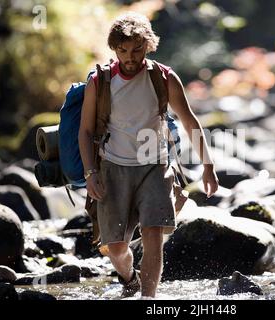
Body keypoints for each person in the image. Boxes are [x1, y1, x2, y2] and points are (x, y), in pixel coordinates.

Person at [78, 12, 219, 298]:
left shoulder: (163, 77)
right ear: (114, 49)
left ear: (148, 45)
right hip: (112, 168)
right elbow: (85, 131)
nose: (130, 57)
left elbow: (190, 122)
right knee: (117, 249)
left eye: (137, 49)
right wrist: (91, 172)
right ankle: (130, 277)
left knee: (153, 235)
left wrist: (208, 165)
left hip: (155, 166)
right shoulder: (100, 81)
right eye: (123, 50)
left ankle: (148, 299)